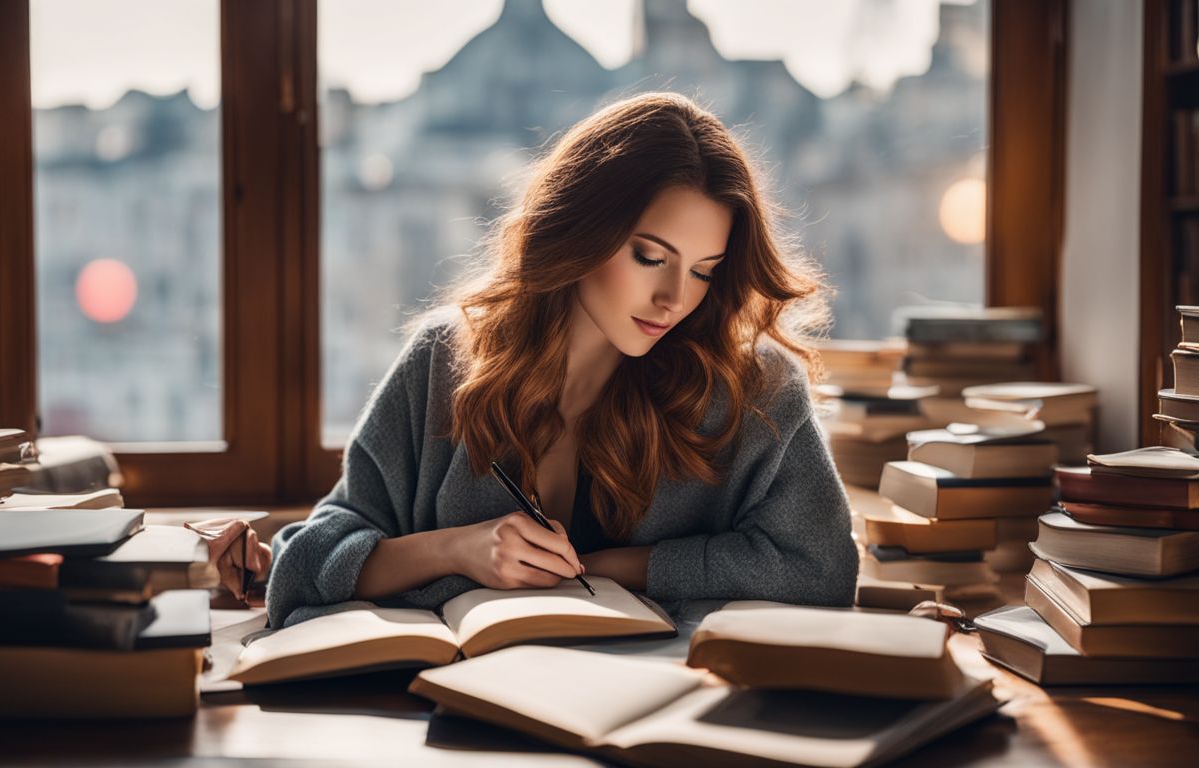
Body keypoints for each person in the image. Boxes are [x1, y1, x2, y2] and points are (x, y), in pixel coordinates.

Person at [266, 92, 858, 630]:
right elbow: (306, 564)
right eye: (651, 257)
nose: (675, 298)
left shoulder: (752, 389)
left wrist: (616, 566)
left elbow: (822, 568)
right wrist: (459, 549)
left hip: (660, 712)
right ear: (582, 228)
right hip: (450, 713)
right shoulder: (444, 361)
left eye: (704, 270)